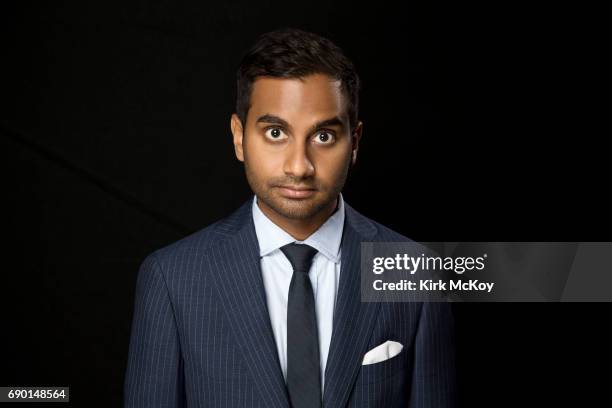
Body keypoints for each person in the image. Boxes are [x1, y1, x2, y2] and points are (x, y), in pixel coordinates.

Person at [124, 27, 456, 408]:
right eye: (276, 132)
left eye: (324, 137)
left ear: (355, 142)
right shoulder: (172, 278)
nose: (299, 166)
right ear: (238, 136)